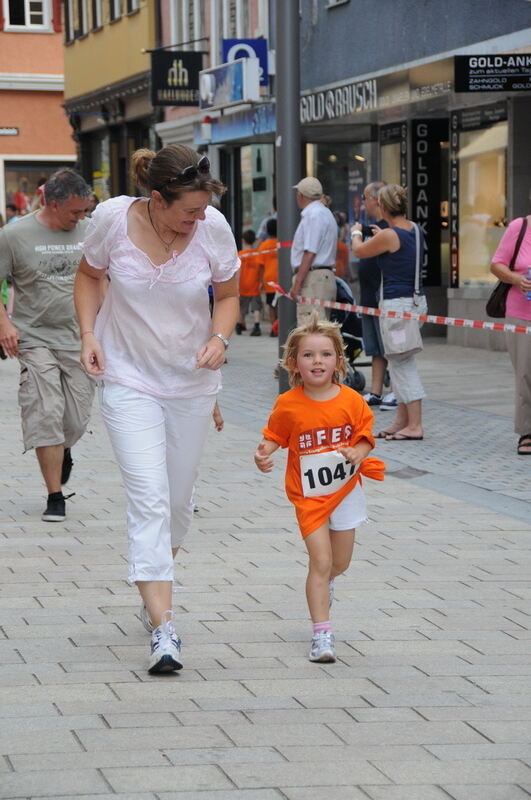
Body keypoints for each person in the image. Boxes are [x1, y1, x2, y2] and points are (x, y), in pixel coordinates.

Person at [74, 144, 240, 675]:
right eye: (188, 211)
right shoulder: (111, 220)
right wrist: (86, 335)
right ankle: (164, 629)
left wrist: (220, 336)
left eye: (201, 210)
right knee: (148, 497)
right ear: (156, 199)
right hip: (127, 377)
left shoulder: (213, 228)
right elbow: (88, 276)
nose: (197, 220)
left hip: (191, 382)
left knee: (177, 505)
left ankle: (153, 587)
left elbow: (231, 294)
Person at [254, 313, 384, 663]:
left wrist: (357, 451)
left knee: (339, 563)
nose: (317, 361)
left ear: (339, 361)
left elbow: (366, 438)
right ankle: (322, 635)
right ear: (293, 362)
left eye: (325, 354)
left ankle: (325, 585)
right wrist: (263, 454)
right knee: (321, 561)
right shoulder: (288, 403)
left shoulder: (351, 401)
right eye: (309, 355)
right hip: (309, 497)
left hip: (345, 492)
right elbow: (273, 437)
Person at [0, 168, 94, 520]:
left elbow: (105, 280)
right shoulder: (14, 235)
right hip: (35, 337)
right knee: (45, 412)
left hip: (79, 337)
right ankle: (55, 494)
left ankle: (64, 448)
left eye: (85, 210)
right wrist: (4, 323)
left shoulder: (91, 231)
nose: (81, 217)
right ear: (51, 204)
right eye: (75, 211)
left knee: (76, 417)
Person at [351, 184, 427, 441]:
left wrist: (355, 234)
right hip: (415, 303)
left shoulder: (388, 235)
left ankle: (414, 425)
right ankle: (401, 421)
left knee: (403, 365)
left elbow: (360, 251)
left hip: (397, 306)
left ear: (383, 206)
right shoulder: (415, 229)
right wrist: (380, 235)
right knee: (398, 363)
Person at [490, 213, 531, 455]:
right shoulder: (520, 227)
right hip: (522, 316)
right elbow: (496, 264)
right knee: (526, 374)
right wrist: (517, 279)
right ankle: (526, 432)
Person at [356, 182, 396, 411]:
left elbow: (360, 251)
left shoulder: (386, 229)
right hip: (368, 296)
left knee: (390, 347)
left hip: (384, 297)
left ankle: (396, 392)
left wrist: (356, 236)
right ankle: (376, 391)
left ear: (376, 200)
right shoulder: (371, 227)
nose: (363, 202)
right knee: (374, 348)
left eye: (364, 197)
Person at [290, 177, 338, 325]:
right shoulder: (325, 212)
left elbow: (310, 252)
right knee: (322, 328)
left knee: (310, 328)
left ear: (301, 195)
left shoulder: (313, 215)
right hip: (323, 276)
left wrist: (297, 283)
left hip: (313, 278)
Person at [237, 228, 262, 336]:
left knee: (241, 307)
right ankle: (256, 325)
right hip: (255, 284)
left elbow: (237, 271)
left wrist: (236, 284)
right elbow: (261, 270)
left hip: (242, 285)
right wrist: (261, 282)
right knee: (256, 307)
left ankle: (240, 324)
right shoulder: (258, 254)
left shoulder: (240, 254)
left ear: (243, 240)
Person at [257, 218, 279, 336]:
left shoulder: (264, 246)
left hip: (269, 280)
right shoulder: (283, 244)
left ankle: (273, 328)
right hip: (282, 280)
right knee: (281, 305)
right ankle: (280, 326)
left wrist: (260, 281)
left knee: (271, 305)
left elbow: (260, 266)